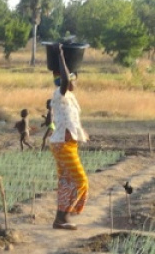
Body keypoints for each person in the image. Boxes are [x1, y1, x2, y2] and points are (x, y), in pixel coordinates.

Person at [50, 43, 89, 230]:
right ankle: (65, 215)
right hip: (62, 144)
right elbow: (65, 81)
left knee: (66, 182)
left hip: (69, 143)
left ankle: (60, 220)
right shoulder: (59, 93)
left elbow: (72, 120)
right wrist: (60, 54)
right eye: (73, 79)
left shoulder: (70, 98)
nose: (75, 82)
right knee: (80, 181)